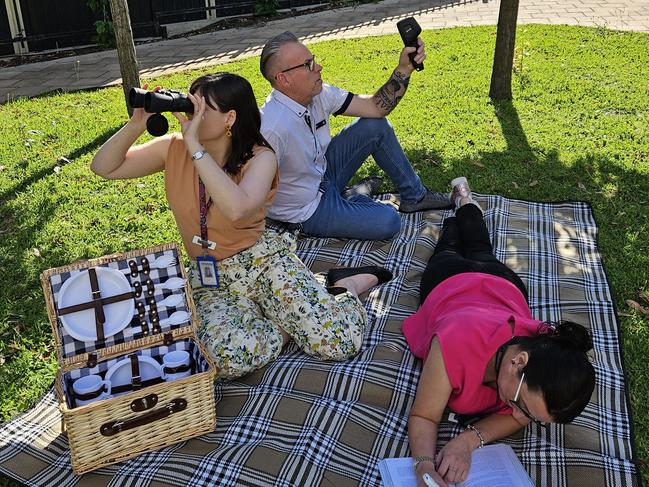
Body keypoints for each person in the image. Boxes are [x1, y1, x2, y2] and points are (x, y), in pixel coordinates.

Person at [90, 72, 392, 380]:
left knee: (338, 342)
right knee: (220, 359)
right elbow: (104, 167)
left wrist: (195, 147)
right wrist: (136, 124)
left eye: (201, 109)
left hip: (261, 262)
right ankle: (284, 319)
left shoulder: (260, 157)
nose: (191, 116)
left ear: (229, 118)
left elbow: (236, 209)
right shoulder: (174, 148)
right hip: (211, 276)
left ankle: (344, 285)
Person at [401, 177, 596, 487]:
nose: (519, 414)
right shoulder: (453, 346)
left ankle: (464, 204)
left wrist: (468, 440)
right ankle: (461, 203)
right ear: (518, 361)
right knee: (451, 246)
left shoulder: (547, 352)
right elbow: (424, 416)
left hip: (503, 288)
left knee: (481, 248)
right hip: (451, 283)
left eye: (531, 416)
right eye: (520, 404)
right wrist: (423, 465)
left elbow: (519, 416)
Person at [258, 31, 452, 241]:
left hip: (322, 176)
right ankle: (353, 198)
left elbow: (375, 108)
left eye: (313, 60)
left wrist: (404, 69)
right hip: (305, 209)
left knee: (375, 126)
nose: (318, 67)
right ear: (283, 79)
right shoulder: (271, 127)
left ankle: (415, 196)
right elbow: (251, 192)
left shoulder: (319, 93)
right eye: (308, 64)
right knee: (388, 221)